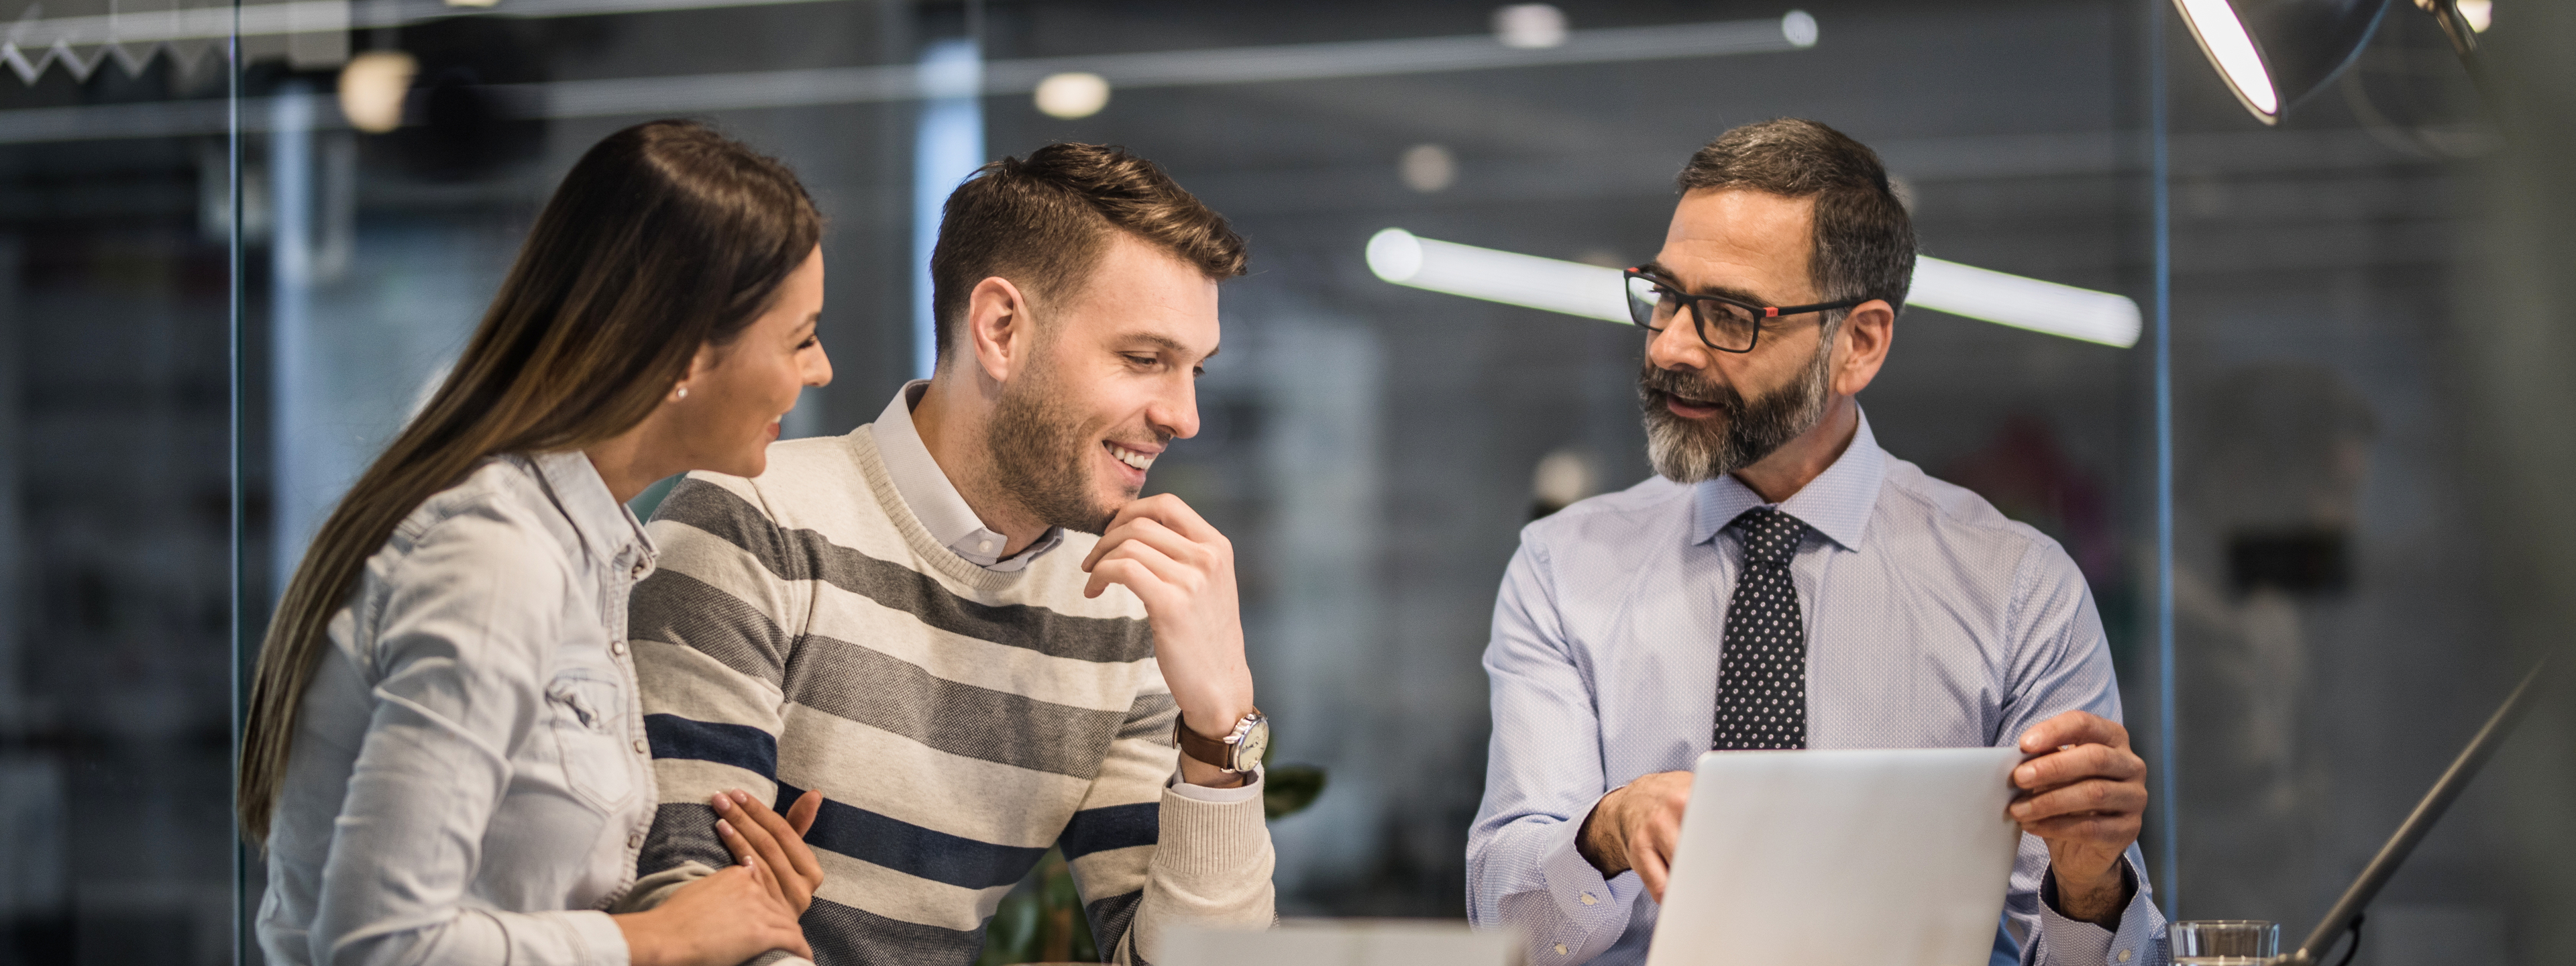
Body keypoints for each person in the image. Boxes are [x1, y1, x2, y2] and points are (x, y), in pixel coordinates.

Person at [1466, 118, 2166, 966]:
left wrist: (2089, 883)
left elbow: (2082, 954)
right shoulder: (1563, 567)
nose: (1672, 346)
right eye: (1664, 294)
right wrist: (1606, 829)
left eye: (1729, 316)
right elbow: (1513, 934)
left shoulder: (2016, 587)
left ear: (1859, 344)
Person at [619, 142, 1274, 966]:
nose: (1184, 417)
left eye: (1195, 372)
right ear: (1000, 329)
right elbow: (695, 926)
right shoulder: (753, 522)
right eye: (1145, 360)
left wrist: (1220, 727)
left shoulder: (1117, 601)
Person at [239, 119, 837, 966]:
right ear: (685, 351)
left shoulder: (579, 547)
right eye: (801, 337)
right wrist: (660, 939)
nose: (820, 371)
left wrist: (727, 898)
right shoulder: (495, 560)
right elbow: (381, 945)